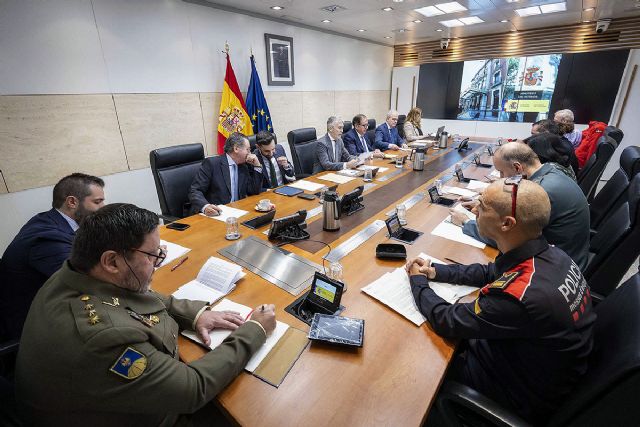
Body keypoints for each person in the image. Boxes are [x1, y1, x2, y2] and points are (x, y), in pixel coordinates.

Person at [16, 203, 276, 424]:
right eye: (153, 255)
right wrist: (255, 330)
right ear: (112, 262)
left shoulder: (77, 273)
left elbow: (135, 296)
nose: (157, 263)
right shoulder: (104, 338)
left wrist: (196, 315)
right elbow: (193, 388)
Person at [407, 179, 595, 424]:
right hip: (530, 362)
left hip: (512, 392)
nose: (474, 210)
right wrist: (435, 271)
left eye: (483, 207)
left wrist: (417, 281)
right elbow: (491, 272)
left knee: (413, 368)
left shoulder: (518, 296)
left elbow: (448, 320)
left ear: (507, 223)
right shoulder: (551, 254)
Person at [449, 142, 590, 271]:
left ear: (517, 168)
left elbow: (507, 237)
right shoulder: (551, 170)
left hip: (556, 270)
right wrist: (486, 207)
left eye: (502, 172)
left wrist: (465, 222)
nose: (500, 178)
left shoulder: (538, 192)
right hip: (569, 256)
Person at [0, 173, 105, 342]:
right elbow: (89, 283)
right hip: (32, 327)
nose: (103, 207)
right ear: (72, 202)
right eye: (97, 202)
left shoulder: (49, 220)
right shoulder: (48, 239)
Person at [189, 132, 264, 216]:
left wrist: (257, 165)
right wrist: (205, 207)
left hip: (238, 212)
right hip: (216, 214)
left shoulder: (244, 166)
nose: (250, 153)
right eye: (248, 150)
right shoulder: (212, 164)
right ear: (236, 149)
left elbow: (254, 191)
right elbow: (195, 191)